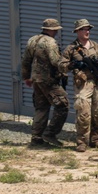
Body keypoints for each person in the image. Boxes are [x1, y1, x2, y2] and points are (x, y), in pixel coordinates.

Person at [20, 18, 70, 147]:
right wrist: (68, 67)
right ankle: (50, 133)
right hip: (49, 80)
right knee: (62, 104)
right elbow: (55, 62)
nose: (57, 33)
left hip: (36, 80)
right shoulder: (50, 42)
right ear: (51, 30)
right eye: (56, 30)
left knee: (41, 107)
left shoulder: (32, 40)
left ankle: (36, 137)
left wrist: (26, 77)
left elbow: (26, 60)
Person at [62, 19, 98, 152]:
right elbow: (61, 66)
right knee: (83, 113)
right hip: (82, 84)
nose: (87, 31)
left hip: (97, 83)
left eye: (88, 29)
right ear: (77, 31)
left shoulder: (95, 46)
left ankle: (95, 139)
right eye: (83, 29)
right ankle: (82, 141)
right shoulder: (71, 49)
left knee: (97, 112)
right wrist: (74, 65)